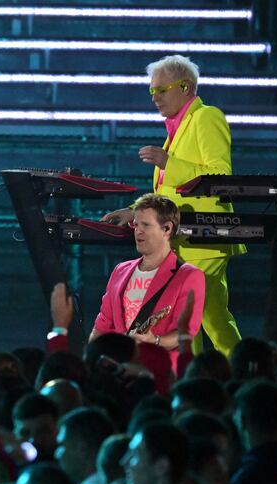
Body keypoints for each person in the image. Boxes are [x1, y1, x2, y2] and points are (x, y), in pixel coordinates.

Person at [102, 55, 244, 356]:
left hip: (205, 237)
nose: (155, 97)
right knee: (213, 316)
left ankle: (186, 378)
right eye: (151, 91)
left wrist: (170, 163)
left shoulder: (207, 117)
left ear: (186, 87)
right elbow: (170, 194)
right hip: (188, 237)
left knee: (183, 311)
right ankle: (243, 369)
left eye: (161, 90)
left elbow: (221, 175)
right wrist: (136, 213)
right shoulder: (176, 129)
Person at [92, 194, 206, 364]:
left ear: (167, 229)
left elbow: (185, 332)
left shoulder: (189, 275)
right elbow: (102, 325)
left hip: (160, 372)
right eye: (136, 224)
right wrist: (91, 359)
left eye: (145, 225)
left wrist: (156, 341)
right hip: (119, 373)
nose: (138, 231)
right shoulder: (120, 270)